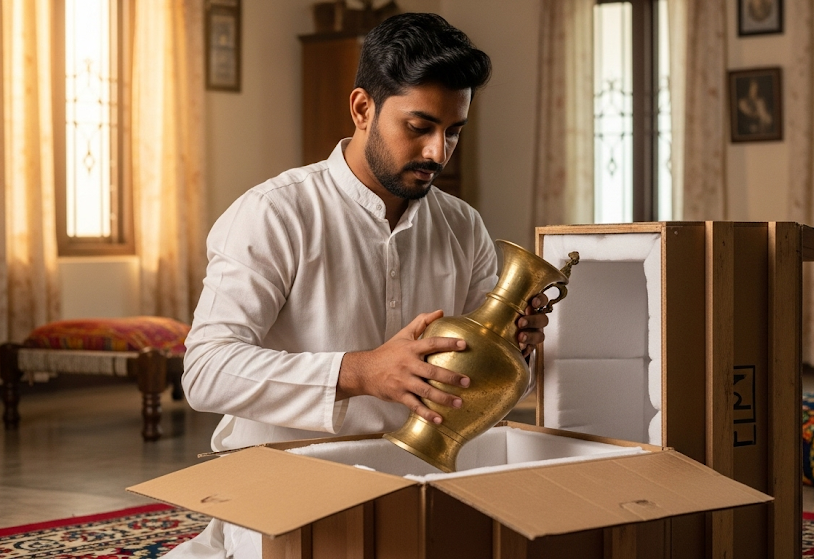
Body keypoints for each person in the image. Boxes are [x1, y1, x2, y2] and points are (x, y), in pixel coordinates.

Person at [164, 13, 553, 559]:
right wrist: (361, 371)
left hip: (414, 488)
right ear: (363, 108)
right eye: (419, 127)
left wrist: (517, 350)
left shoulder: (464, 227)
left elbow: (481, 394)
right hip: (281, 491)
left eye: (454, 131)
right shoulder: (274, 214)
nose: (438, 153)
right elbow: (204, 373)